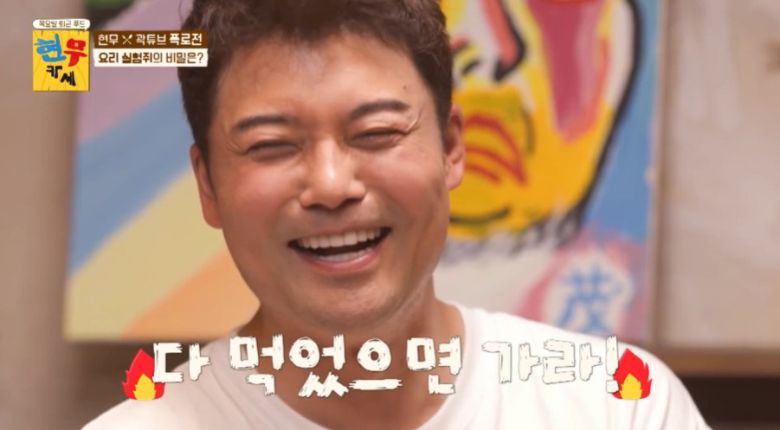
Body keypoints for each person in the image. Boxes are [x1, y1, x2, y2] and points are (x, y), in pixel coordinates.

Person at [85, 0, 709, 428]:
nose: (331, 185)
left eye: (377, 133)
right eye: (272, 145)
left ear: (451, 147)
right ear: (208, 186)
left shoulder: (618, 406)